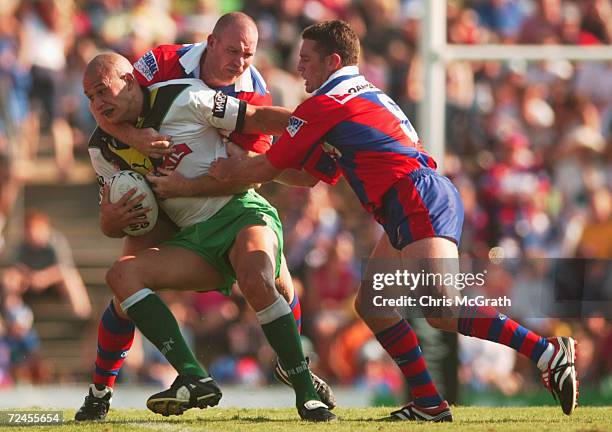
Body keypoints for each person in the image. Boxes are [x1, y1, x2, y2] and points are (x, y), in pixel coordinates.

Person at [209, 20, 579, 421]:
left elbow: (267, 166)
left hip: (414, 194)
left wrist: (221, 172)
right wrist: (253, 167)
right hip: (409, 198)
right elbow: (310, 175)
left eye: (306, 59)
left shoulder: (326, 105)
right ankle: (429, 403)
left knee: (441, 307)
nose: (300, 68)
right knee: (374, 304)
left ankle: (546, 351)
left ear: (333, 61)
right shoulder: (358, 94)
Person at [75, 12, 334, 421]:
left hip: (236, 208)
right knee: (122, 280)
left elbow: (254, 143)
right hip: (186, 231)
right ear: (211, 44)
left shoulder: (197, 95)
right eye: (90, 98)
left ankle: (305, 389)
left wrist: (320, 125)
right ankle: (180, 379)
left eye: (247, 54)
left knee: (266, 280)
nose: (97, 105)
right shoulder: (150, 74)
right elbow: (109, 220)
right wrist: (112, 214)